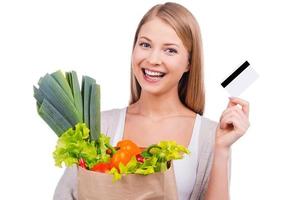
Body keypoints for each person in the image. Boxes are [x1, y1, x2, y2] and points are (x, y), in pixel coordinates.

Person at [53, 2, 250, 200]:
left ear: (189, 62)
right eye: (145, 45)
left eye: (170, 50)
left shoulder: (209, 136)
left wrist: (222, 149)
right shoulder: (100, 126)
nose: (153, 59)